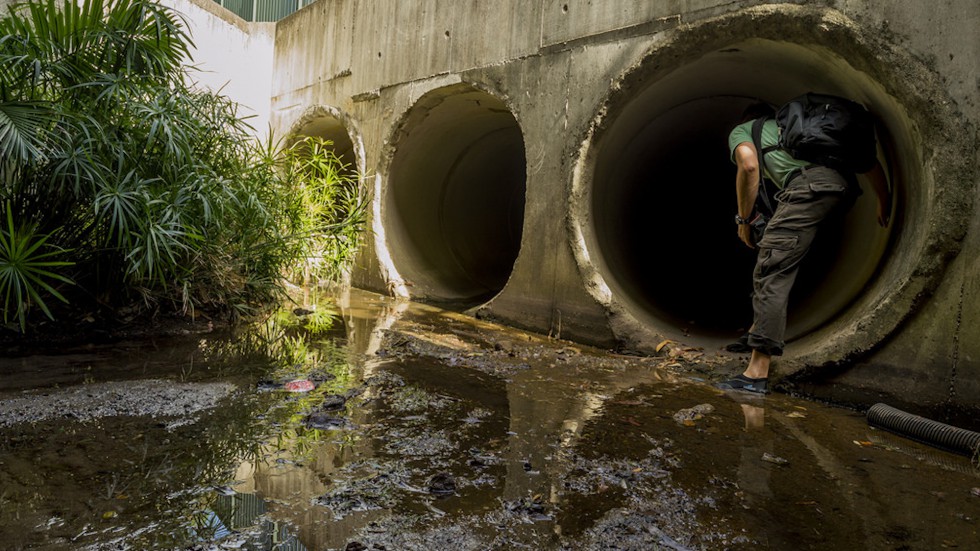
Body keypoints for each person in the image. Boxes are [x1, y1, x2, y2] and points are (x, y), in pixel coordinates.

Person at [717, 101, 891, 394]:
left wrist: (743, 220)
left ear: (748, 121)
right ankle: (753, 333)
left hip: (808, 188)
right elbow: (868, 162)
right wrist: (883, 201)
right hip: (841, 189)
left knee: (772, 267)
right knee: (783, 251)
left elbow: (748, 164)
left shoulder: (742, 131)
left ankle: (755, 374)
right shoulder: (805, 134)